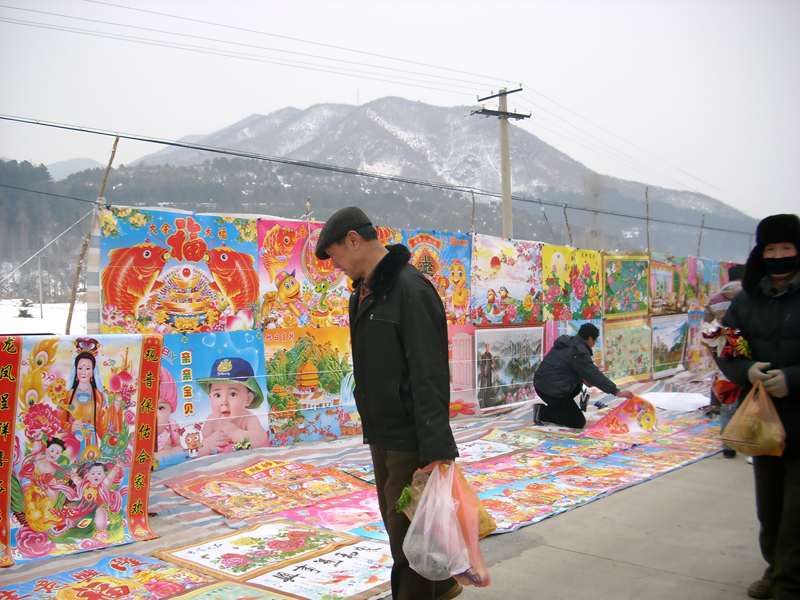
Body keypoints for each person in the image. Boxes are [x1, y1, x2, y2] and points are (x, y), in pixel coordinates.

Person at [315, 206, 462, 600]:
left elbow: (429, 374)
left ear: (354, 240)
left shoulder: (411, 290)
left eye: (336, 256)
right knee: (406, 521)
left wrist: (436, 448)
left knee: (405, 532)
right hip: (380, 429)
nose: (336, 266)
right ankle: (443, 585)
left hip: (408, 434)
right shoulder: (364, 293)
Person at [715, 213, 800, 600]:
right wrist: (747, 370)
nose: (779, 255)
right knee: (770, 505)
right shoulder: (746, 301)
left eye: (787, 247)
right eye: (771, 248)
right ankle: (774, 569)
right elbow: (725, 347)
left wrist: (793, 378)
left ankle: (788, 583)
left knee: (797, 512)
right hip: (763, 420)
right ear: (760, 252)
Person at [533, 323, 634, 428]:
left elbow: (565, 368)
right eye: (595, 341)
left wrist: (581, 378)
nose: (595, 343)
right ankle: (542, 412)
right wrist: (616, 391)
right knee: (577, 422)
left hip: (542, 383)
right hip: (550, 389)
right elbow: (593, 374)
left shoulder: (569, 343)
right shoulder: (578, 351)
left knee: (577, 388)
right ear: (590, 339)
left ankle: (558, 407)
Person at [702, 262, 745, 458]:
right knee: (750, 398)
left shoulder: (714, 299)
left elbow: (707, 330)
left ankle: (728, 446)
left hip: (723, 352)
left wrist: (715, 352)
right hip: (747, 351)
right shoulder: (751, 296)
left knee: (729, 398)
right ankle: (749, 443)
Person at [196, 357, 268, 456]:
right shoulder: (212, 421)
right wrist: (208, 444)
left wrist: (235, 433)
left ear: (248, 399)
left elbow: (260, 438)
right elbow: (197, 447)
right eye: (217, 395)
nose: (224, 402)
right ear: (210, 398)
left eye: (233, 394)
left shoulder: (248, 419)